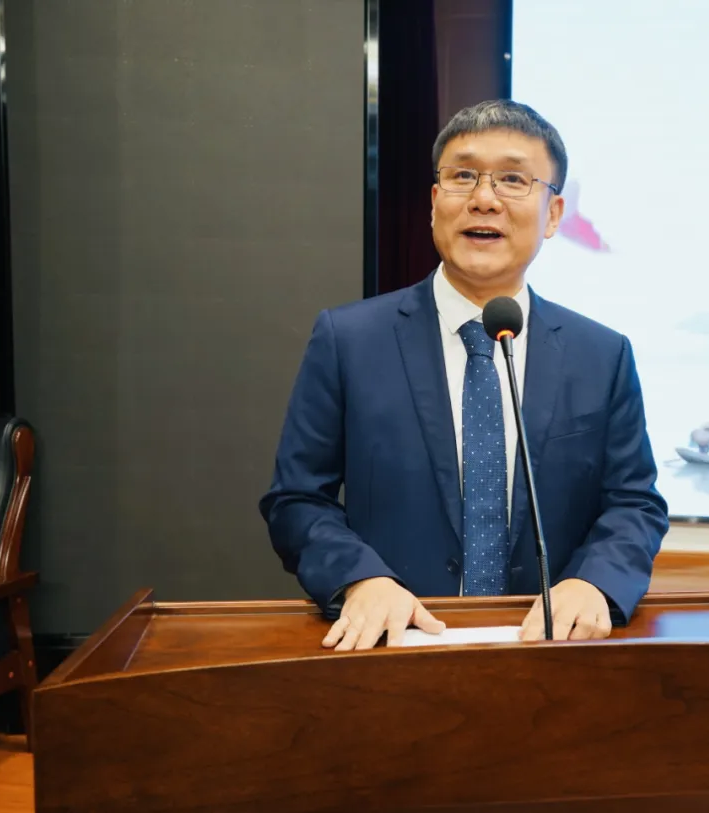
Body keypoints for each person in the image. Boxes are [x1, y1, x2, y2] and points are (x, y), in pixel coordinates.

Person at [259, 100, 668, 650]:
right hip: (392, 646)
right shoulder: (349, 340)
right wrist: (360, 577)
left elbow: (635, 503)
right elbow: (296, 499)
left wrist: (594, 581)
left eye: (513, 180)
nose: (484, 199)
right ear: (435, 203)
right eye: (463, 176)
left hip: (549, 650)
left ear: (553, 215)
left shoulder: (601, 354)